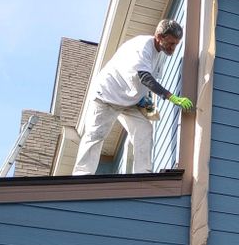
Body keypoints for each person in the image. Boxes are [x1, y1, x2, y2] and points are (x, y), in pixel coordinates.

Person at [72, 18, 194, 175]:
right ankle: (82, 175)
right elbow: (145, 78)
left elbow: (147, 84)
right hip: (106, 96)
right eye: (170, 43)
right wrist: (172, 98)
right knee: (96, 135)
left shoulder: (161, 55)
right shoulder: (143, 46)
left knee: (144, 129)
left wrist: (149, 110)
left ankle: (143, 174)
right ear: (159, 37)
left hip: (130, 101)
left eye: (176, 44)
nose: (173, 48)